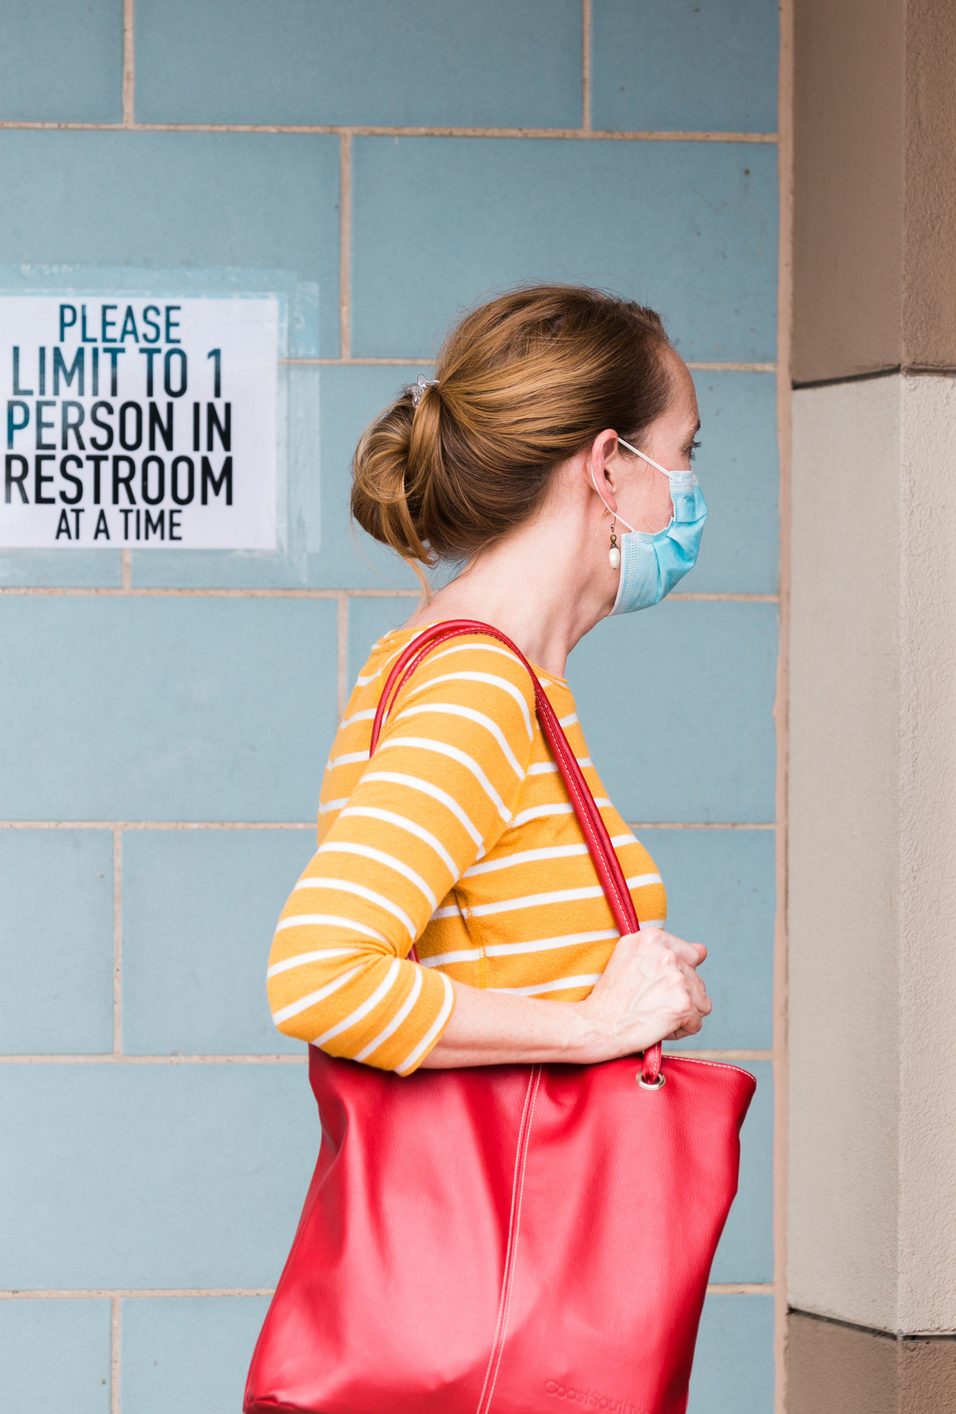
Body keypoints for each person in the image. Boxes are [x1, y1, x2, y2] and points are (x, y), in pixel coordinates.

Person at [265, 284, 716, 1075]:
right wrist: (595, 1026)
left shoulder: (498, 679)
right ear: (608, 464)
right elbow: (318, 977)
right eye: (686, 451)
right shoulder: (479, 684)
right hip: (508, 1199)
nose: (688, 485)